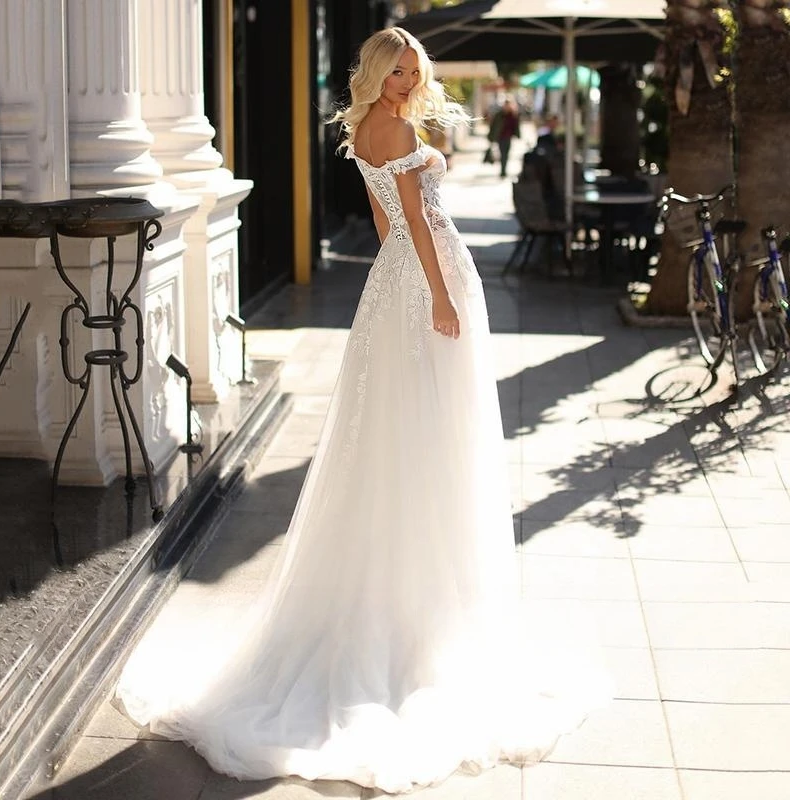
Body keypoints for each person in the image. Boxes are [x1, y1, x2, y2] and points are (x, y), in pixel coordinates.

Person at [115, 27, 610, 794]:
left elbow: (386, 227)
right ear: (378, 73)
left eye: (413, 71)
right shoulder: (404, 130)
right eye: (397, 71)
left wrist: (402, 282)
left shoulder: (366, 132)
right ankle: (415, 625)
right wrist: (443, 298)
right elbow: (414, 220)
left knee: (391, 434)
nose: (406, 82)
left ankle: (393, 602)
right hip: (428, 280)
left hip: (393, 285)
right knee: (431, 433)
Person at [488, 97, 520, 177]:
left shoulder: (513, 115)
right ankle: (503, 171)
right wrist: (491, 136)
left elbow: (516, 126)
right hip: (500, 137)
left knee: (506, 154)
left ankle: (504, 170)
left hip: (508, 137)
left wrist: (518, 135)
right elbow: (493, 126)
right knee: (502, 154)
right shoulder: (499, 115)